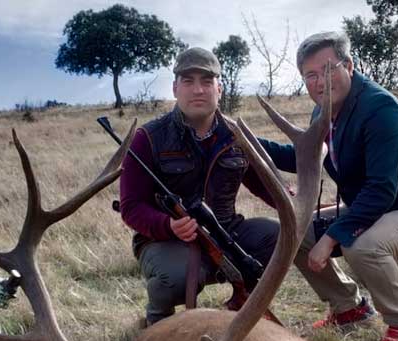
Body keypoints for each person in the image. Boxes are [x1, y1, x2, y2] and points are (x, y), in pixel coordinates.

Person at [260, 32, 398, 341]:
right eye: (310, 75)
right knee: (294, 232)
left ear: (348, 65)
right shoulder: (322, 112)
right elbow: (302, 156)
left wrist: (330, 238)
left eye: (328, 70)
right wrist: (247, 142)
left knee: (360, 244)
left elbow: (381, 189)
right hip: (375, 209)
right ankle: (348, 308)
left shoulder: (380, 109)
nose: (320, 82)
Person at [119, 47, 280, 326]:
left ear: (219, 88)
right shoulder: (147, 138)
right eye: (188, 81)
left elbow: (262, 184)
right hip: (166, 240)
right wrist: (168, 225)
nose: (198, 90)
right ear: (175, 88)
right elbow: (131, 208)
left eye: (206, 82)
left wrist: (292, 203)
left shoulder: (236, 136)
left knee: (277, 238)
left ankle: (242, 310)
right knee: (175, 278)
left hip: (226, 231)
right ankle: (157, 324)